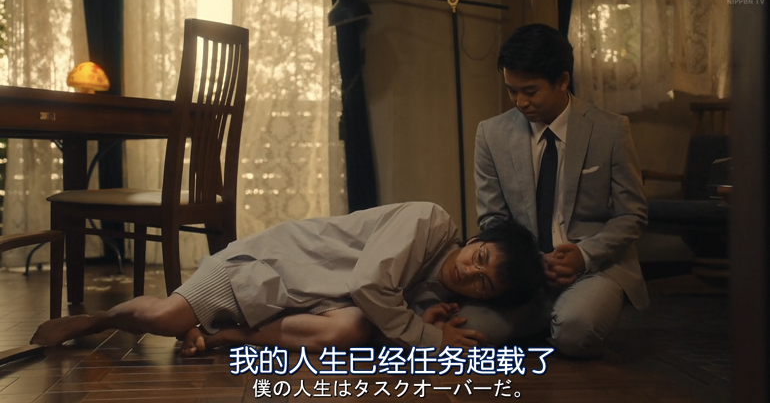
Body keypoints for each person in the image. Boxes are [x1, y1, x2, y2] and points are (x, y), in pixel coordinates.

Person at [31, 201, 544, 355]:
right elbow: (370, 285)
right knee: (164, 317)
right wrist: (430, 337)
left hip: (309, 306)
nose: (471, 272)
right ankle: (99, 319)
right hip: (266, 270)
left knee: (352, 331)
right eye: (480, 257)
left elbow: (379, 310)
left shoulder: (437, 289)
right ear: (474, 239)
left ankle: (226, 336)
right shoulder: (429, 222)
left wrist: (421, 315)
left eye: (484, 284)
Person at [464, 23, 649, 358]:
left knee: (575, 330)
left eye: (530, 91)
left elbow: (631, 215)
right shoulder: (491, 134)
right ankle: (543, 315)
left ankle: (556, 317)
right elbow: (493, 219)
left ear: (563, 81)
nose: (520, 102)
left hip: (596, 268)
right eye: (511, 91)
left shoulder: (610, 130)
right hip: (523, 270)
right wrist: (533, 263)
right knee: (469, 326)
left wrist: (584, 255)